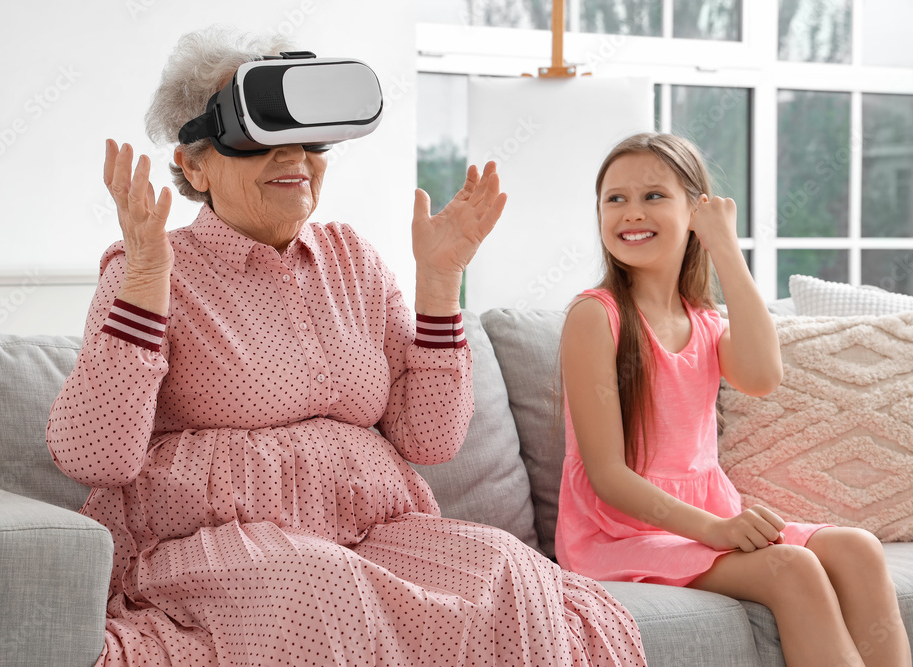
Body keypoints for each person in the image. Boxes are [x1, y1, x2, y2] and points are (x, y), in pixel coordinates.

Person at [47, 29, 646, 667]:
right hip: (215, 544)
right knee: (321, 590)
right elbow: (95, 457)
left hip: (371, 533)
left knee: (508, 570)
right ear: (195, 164)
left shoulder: (352, 259)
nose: (295, 158)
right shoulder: (149, 268)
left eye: (310, 140)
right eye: (261, 140)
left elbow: (429, 442)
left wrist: (440, 285)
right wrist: (143, 286)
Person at [555, 131, 910, 666]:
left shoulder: (703, 322)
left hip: (706, 519)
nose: (631, 212)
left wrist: (724, 247)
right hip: (617, 534)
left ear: (696, 211)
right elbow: (607, 476)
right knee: (792, 567)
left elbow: (765, 375)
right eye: (615, 198)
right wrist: (718, 529)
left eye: (653, 196)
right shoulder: (594, 316)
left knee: (858, 547)